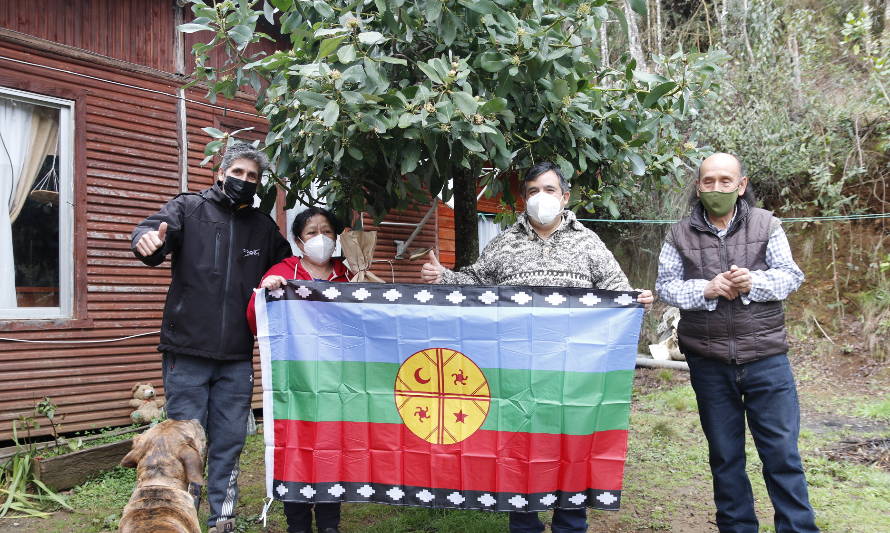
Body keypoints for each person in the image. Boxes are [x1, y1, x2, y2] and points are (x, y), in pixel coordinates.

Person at [421, 161, 653, 533]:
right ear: (522, 199)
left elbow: (617, 292)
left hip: (574, 376)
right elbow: (474, 284)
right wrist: (442, 277)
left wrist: (635, 299)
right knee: (520, 456)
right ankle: (524, 523)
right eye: (532, 192)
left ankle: (569, 524)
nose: (540, 198)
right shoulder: (504, 243)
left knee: (571, 454)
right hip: (517, 376)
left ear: (565, 196)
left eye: (548, 190)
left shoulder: (588, 243)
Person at [131, 142, 292, 533]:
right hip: (186, 352)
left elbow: (288, 263)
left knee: (229, 443)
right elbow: (152, 234)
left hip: (236, 356)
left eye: (252, 177)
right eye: (237, 172)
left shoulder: (262, 226)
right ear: (221, 174)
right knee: (184, 445)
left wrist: (282, 273)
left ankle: (223, 518)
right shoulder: (189, 208)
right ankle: (184, 515)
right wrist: (147, 240)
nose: (244, 181)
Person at [655, 152, 818, 533]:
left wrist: (753, 283)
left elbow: (791, 277)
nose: (716, 188)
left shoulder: (767, 225)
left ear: (741, 185)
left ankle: (797, 528)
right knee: (725, 456)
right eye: (708, 181)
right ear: (698, 186)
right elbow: (666, 286)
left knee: (781, 454)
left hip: (766, 358)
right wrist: (707, 289)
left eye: (725, 181)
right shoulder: (678, 233)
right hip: (708, 361)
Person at [247, 206, 349, 533]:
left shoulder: (348, 275)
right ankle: (298, 524)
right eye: (311, 232)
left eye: (327, 231)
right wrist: (269, 291)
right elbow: (254, 319)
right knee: (296, 450)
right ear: (298, 241)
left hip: (337, 381)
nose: (321, 238)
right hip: (295, 382)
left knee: (331, 449)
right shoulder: (283, 271)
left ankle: (330, 523)